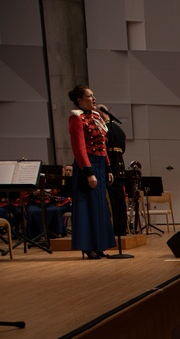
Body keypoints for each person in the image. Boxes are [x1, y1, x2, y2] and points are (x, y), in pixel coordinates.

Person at [67, 85, 116, 259]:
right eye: (89, 96)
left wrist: (108, 167)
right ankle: (88, 246)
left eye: (93, 95)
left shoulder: (96, 117)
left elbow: (102, 145)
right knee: (87, 206)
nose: (93, 98)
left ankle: (100, 245)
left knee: (100, 206)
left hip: (100, 163)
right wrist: (89, 172)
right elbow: (79, 148)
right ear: (79, 100)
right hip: (87, 165)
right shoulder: (76, 118)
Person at [97, 104, 127, 238]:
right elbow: (123, 149)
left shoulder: (104, 129)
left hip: (109, 166)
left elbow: (102, 150)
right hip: (120, 165)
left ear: (102, 114)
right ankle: (122, 228)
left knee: (111, 200)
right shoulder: (119, 130)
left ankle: (114, 230)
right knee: (120, 199)